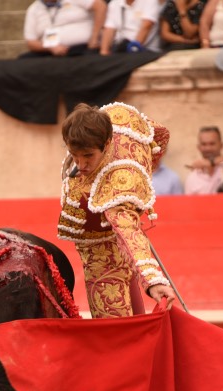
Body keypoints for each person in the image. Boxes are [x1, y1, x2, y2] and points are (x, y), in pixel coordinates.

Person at [58, 102, 177, 318]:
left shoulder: (119, 182)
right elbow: (157, 134)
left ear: (106, 143)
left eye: (88, 156)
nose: (81, 164)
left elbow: (128, 231)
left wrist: (153, 281)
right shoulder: (118, 118)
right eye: (75, 156)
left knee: (113, 331)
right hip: (106, 247)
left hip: (104, 259)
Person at [21, 0, 107, 58]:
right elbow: (31, 43)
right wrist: (51, 48)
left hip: (83, 47)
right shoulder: (34, 9)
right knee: (23, 60)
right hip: (51, 52)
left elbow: (100, 6)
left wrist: (94, 38)